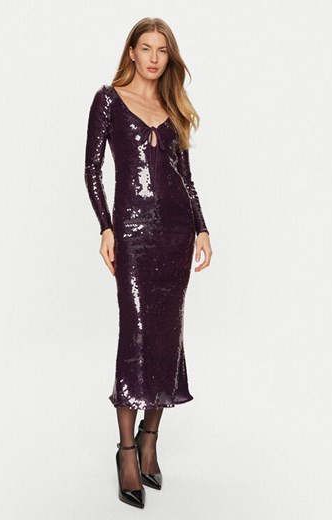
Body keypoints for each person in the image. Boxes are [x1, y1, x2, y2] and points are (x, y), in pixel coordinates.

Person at [84, 17, 212, 509]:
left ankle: (150, 439)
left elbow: (187, 179)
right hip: (134, 233)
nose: (154, 58)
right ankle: (125, 450)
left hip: (177, 234)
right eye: (146, 48)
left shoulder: (174, 108)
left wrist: (202, 228)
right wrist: (106, 227)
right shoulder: (109, 100)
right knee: (136, 334)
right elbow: (92, 169)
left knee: (168, 336)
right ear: (132, 52)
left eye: (162, 50)